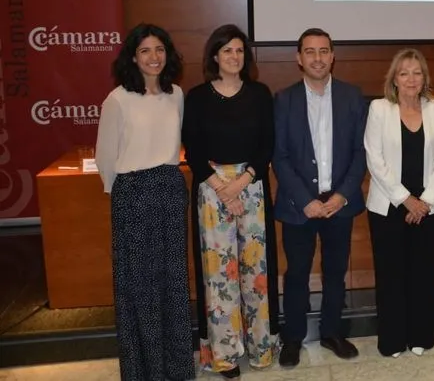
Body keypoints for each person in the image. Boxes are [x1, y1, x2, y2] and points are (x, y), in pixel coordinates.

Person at [95, 23, 194, 381]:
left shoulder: (176, 94)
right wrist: (121, 193)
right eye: (145, 51)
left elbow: (176, 140)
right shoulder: (118, 99)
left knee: (172, 281)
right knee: (139, 285)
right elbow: (105, 156)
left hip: (169, 189)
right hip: (133, 195)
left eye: (159, 50)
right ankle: (144, 369)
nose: (154, 57)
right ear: (133, 58)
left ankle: (177, 367)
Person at [182, 24, 278, 378]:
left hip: (251, 188)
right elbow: (192, 152)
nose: (234, 57)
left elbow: (266, 145)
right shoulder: (196, 97)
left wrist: (240, 183)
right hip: (211, 192)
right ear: (214, 57)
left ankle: (260, 348)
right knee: (220, 276)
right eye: (227, 51)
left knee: (256, 274)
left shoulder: (260, 94)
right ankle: (224, 355)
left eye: (239, 51)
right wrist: (224, 189)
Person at [273, 28, 367, 366]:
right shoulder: (284, 100)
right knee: (297, 273)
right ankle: (294, 337)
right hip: (300, 206)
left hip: (339, 204)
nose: (317, 58)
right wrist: (305, 199)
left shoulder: (352, 97)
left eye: (324, 51)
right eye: (310, 52)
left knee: (335, 272)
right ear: (299, 58)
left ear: (332, 56)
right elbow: (279, 156)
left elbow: (360, 152)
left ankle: (332, 332)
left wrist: (342, 196)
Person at [364, 49, 434, 358]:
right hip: (388, 207)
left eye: (417, 72)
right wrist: (406, 200)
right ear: (394, 79)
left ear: (425, 77)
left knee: (422, 275)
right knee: (391, 276)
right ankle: (392, 340)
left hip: (428, 207)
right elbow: (375, 160)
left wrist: (423, 202)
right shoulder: (379, 109)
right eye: (404, 73)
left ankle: (421, 336)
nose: (411, 78)